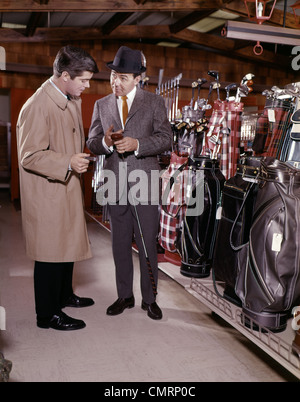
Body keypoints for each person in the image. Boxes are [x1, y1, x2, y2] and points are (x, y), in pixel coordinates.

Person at [16, 45, 99, 331]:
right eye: (84, 80)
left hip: (65, 187)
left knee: (66, 247)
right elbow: (29, 156)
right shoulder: (38, 105)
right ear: (65, 75)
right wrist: (67, 162)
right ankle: (47, 315)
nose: (87, 86)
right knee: (50, 254)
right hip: (48, 193)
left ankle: (64, 295)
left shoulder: (68, 97)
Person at [87, 46, 172, 320]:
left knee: (147, 243)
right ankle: (125, 296)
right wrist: (104, 142)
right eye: (113, 76)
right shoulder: (102, 105)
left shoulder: (155, 103)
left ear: (138, 78)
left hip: (144, 183)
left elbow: (165, 139)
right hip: (114, 184)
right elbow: (91, 142)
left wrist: (137, 144)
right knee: (119, 244)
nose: (116, 82)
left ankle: (150, 299)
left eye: (123, 77)